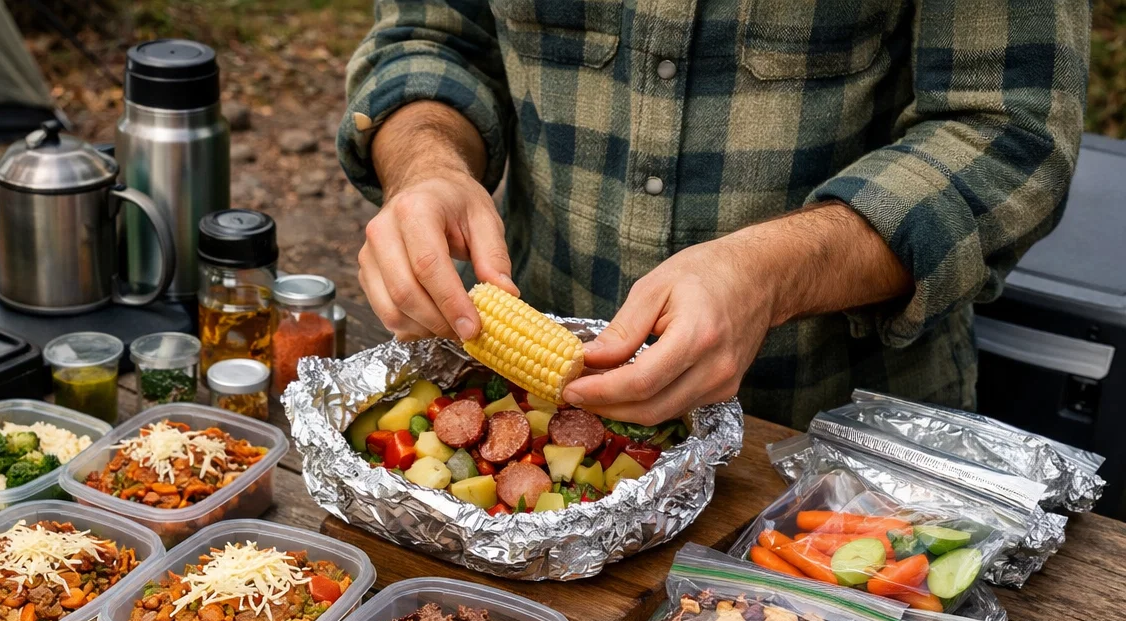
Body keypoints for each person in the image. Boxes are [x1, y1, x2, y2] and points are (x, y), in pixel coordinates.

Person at [337, 2, 1089, 428]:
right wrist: (426, 164)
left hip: (832, 440)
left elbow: (1009, 133)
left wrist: (769, 275)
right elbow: (431, 38)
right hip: (532, 422)